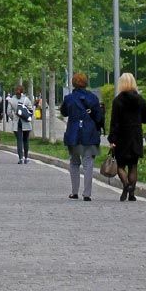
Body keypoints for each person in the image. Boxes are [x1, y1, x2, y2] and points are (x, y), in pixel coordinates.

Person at [61, 70, 105, 202]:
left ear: (73, 83)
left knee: (74, 163)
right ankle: (87, 194)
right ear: (86, 83)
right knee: (88, 163)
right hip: (89, 134)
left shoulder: (69, 98)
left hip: (74, 134)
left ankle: (74, 192)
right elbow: (98, 117)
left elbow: (64, 112)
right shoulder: (93, 98)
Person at [108, 71, 146, 202]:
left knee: (121, 165)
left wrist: (112, 139)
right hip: (136, 135)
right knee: (133, 165)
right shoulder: (140, 100)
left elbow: (114, 122)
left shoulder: (118, 101)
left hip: (122, 136)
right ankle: (132, 193)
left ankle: (126, 185)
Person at [5, 82, 34, 164]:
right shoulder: (26, 100)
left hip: (16, 123)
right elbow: (31, 110)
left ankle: (20, 158)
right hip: (26, 122)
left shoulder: (11, 100)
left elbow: (8, 112)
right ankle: (26, 157)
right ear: (22, 91)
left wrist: (13, 117)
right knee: (26, 140)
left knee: (19, 140)